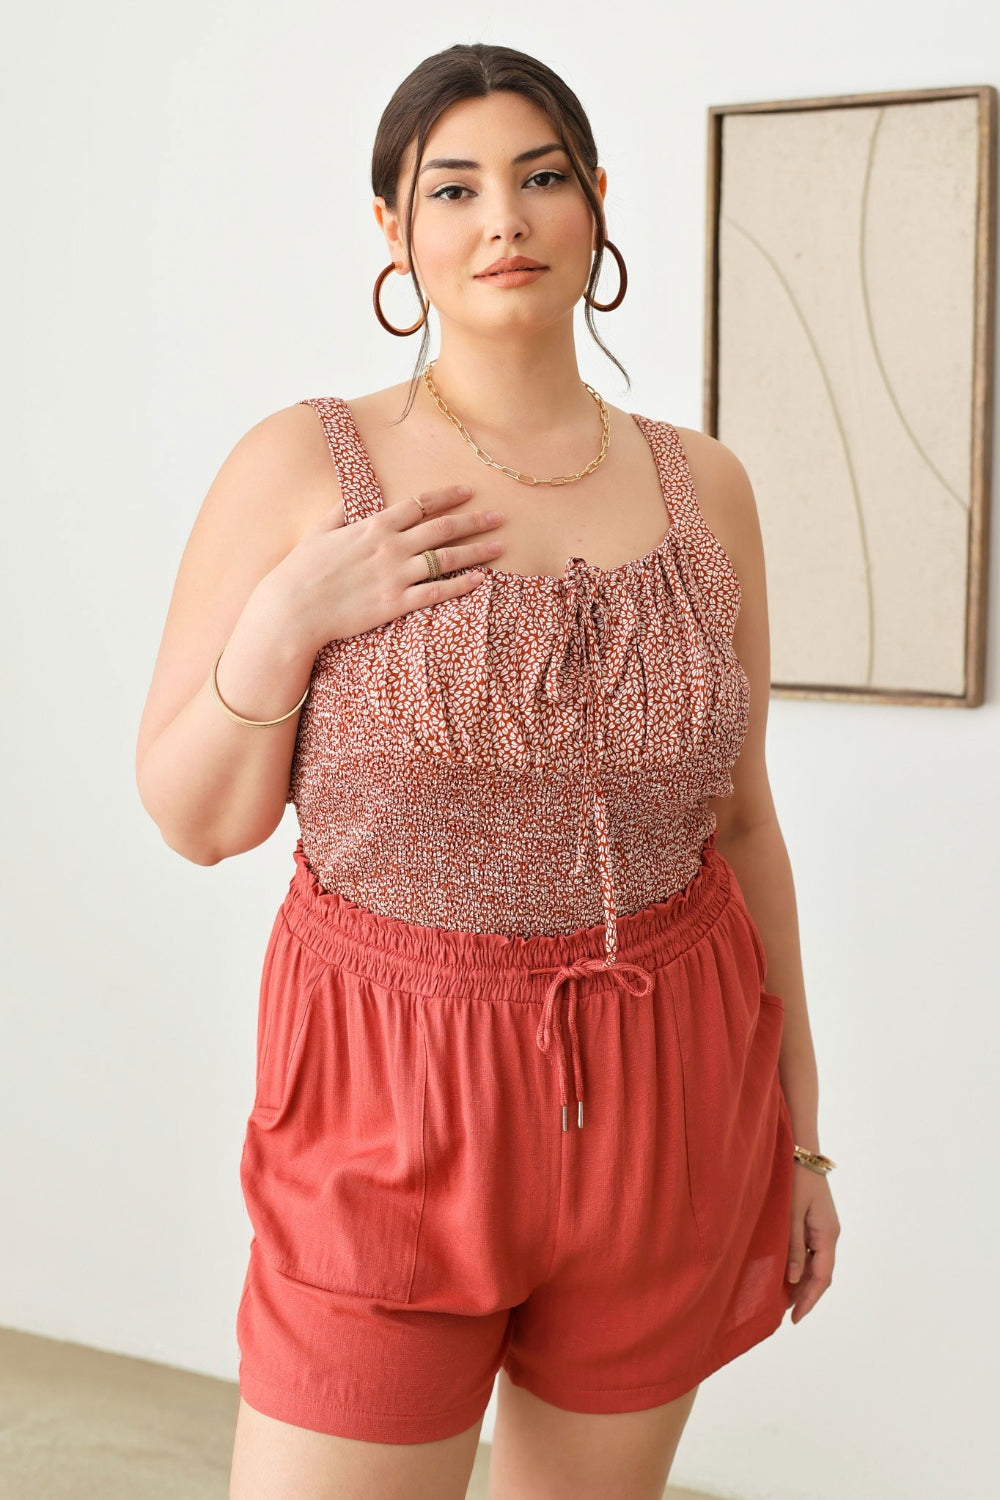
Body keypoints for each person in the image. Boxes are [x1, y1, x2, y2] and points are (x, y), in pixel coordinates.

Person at [135, 40, 840, 1500]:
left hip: (671, 1091)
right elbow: (197, 819)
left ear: (594, 205)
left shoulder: (707, 487)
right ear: (393, 233)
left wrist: (804, 1143)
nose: (502, 220)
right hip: (388, 1102)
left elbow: (747, 826)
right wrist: (289, 617)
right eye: (451, 189)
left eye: (539, 179)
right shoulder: (302, 465)